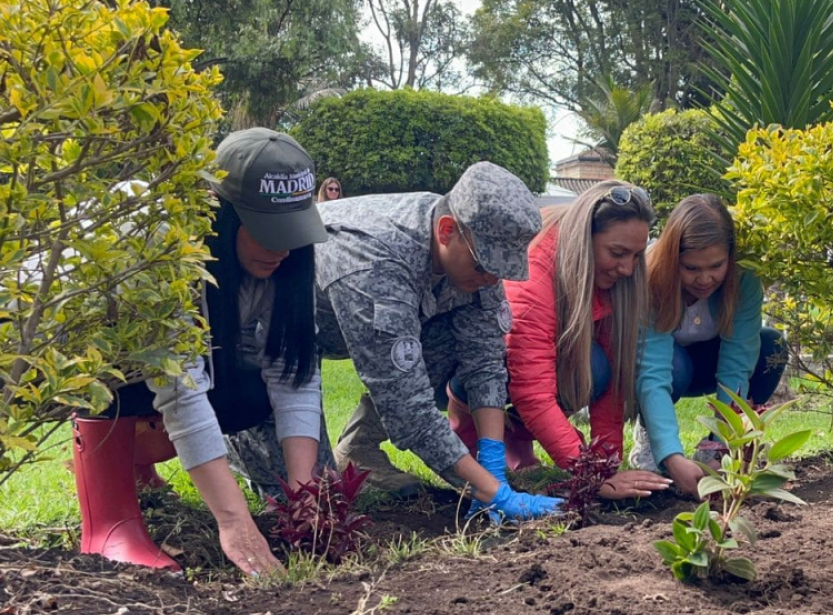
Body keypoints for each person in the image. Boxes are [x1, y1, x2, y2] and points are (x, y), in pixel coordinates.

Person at [70, 128, 329, 576]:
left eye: (291, 231)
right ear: (219, 213)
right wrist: (234, 523)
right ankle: (109, 522)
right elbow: (180, 387)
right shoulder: (158, 243)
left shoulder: (283, 262)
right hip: (72, 355)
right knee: (121, 375)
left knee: (248, 394)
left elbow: (292, 371)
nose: (283, 249)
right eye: (267, 231)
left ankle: (137, 472)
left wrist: (302, 495)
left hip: (165, 373)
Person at [313, 162, 561, 521]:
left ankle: (359, 449)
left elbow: (485, 359)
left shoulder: (468, 242)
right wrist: (489, 492)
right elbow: (406, 405)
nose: (492, 280)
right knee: (308, 495)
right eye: (483, 267)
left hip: (380, 310)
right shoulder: (376, 259)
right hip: (287, 332)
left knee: (451, 336)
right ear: (446, 232)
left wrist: (492, 461)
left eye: (501, 270)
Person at [501, 181, 672, 500]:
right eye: (617, 253)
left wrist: (608, 467)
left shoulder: (612, 279)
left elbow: (612, 385)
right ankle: (475, 442)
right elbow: (532, 392)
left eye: (636, 255)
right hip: (476, 370)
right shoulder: (533, 275)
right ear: (584, 238)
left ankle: (517, 435)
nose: (628, 268)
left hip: (542, 359)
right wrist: (589, 474)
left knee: (598, 367)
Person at [632, 194, 788, 496]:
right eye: (691, 268)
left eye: (716, 266)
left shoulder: (743, 279)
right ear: (672, 259)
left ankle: (712, 447)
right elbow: (652, 372)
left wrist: (727, 439)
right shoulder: (651, 277)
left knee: (772, 345)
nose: (705, 279)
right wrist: (670, 455)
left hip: (709, 363)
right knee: (675, 365)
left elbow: (737, 361)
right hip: (666, 368)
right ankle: (652, 437)